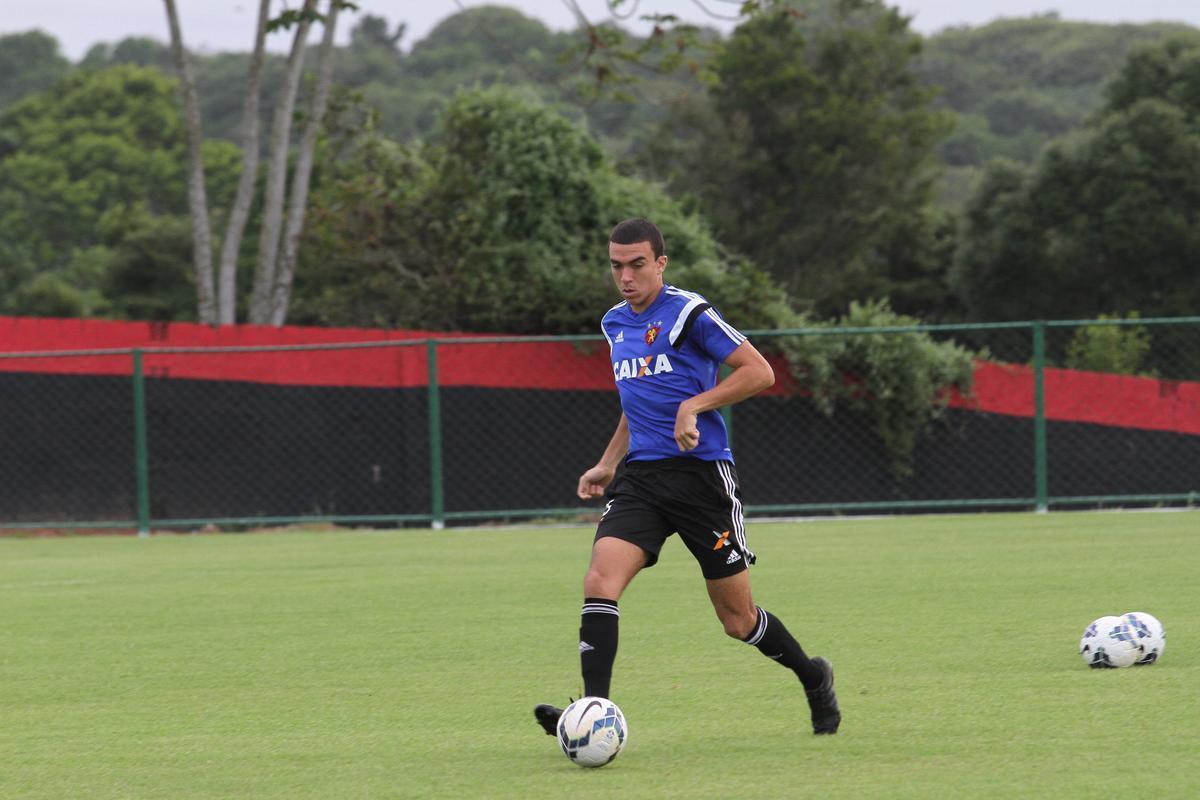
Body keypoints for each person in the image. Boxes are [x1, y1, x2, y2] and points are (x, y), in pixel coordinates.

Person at [534, 218, 840, 738]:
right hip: (643, 480)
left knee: (737, 620)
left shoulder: (689, 313)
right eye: (616, 265)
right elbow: (639, 400)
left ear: (661, 263)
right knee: (599, 581)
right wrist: (609, 462)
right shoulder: (614, 323)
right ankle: (592, 714)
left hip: (702, 480)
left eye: (636, 264)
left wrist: (695, 405)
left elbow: (758, 371)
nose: (625, 276)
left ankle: (813, 676)